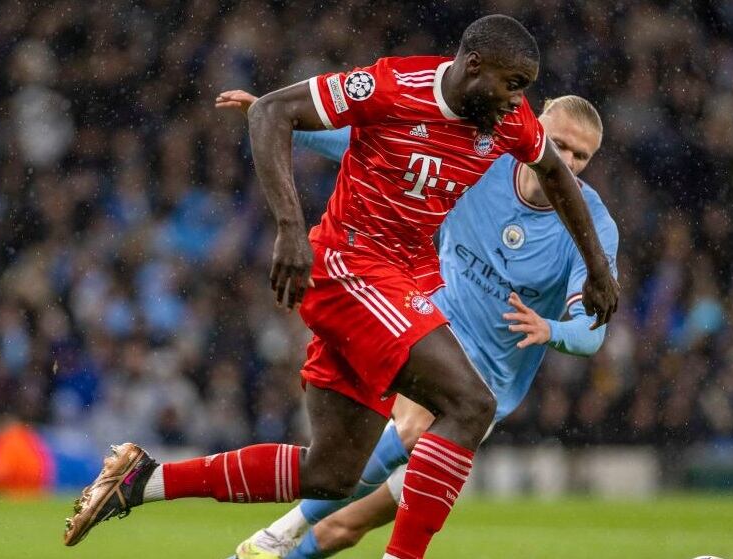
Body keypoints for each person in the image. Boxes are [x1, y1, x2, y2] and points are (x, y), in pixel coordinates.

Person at [63, 15, 619, 559]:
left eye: (524, 90)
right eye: (511, 86)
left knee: (330, 473)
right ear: (473, 66)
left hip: (394, 285)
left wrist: (597, 269)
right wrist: (289, 229)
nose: (515, 101)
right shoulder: (391, 85)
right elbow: (278, 113)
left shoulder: (509, 123)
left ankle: (144, 480)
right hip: (351, 267)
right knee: (470, 405)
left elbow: (552, 173)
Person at [217, 92, 615, 559]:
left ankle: (271, 551)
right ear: (537, 127)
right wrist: (280, 118)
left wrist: (553, 329)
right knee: (408, 429)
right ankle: (282, 529)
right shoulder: (483, 160)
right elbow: (371, 145)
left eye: (580, 156)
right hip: (431, 332)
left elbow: (593, 330)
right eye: (559, 144)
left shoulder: (592, 225)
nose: (565, 161)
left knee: (349, 523)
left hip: (488, 391)